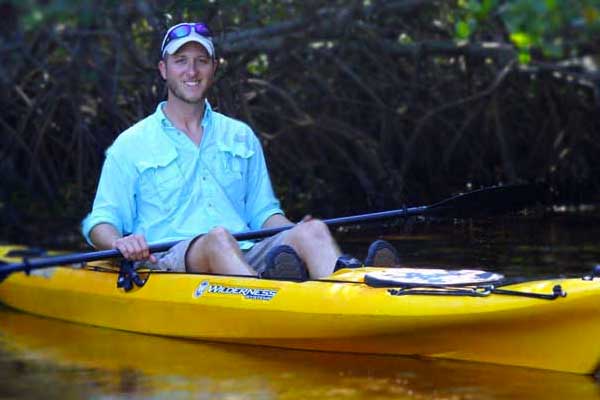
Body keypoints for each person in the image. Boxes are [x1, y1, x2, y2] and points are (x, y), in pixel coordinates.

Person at [82, 21, 399, 280]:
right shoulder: (131, 143)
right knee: (218, 239)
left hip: (243, 251)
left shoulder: (241, 136)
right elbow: (100, 223)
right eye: (181, 61)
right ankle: (270, 300)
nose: (191, 71)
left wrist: (295, 235)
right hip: (169, 259)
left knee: (312, 230)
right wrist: (120, 242)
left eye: (201, 61)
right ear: (163, 69)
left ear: (214, 68)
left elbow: (263, 215)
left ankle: (353, 288)